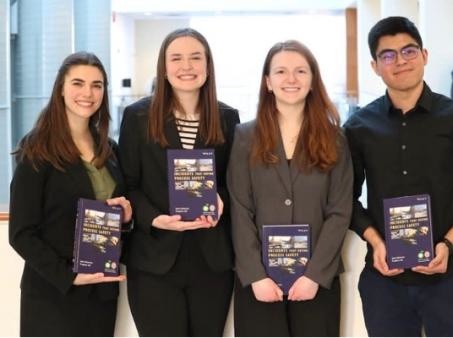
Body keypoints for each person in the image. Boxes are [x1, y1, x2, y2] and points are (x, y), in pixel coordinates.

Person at [344, 16, 453, 336]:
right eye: (388, 55)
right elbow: (344, 199)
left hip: (449, 277)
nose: (400, 61)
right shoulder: (358, 128)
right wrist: (374, 241)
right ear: (375, 66)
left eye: (409, 51)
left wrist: (449, 242)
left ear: (424, 55)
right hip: (385, 280)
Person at [118, 28, 239, 336]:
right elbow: (128, 183)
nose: (187, 66)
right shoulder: (138, 116)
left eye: (195, 58)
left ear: (208, 66)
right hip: (154, 260)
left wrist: (222, 198)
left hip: (211, 260)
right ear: (164, 67)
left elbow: (235, 182)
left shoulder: (227, 117)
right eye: (177, 58)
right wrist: (155, 218)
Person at [228, 40, 353, 336]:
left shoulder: (335, 138)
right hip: (259, 282)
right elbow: (239, 208)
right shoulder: (245, 136)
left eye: (300, 71)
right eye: (281, 71)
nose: (291, 79)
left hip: (316, 282)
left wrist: (314, 275)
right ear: (268, 82)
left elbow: (339, 211)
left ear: (313, 81)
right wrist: (256, 276)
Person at [9, 51, 132, 336]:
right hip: (54, 294)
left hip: (101, 293)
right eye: (78, 83)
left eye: (97, 85)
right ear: (61, 90)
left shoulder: (109, 149)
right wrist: (69, 276)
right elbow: (21, 232)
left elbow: (112, 219)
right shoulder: (38, 148)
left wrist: (125, 217)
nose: (87, 93)